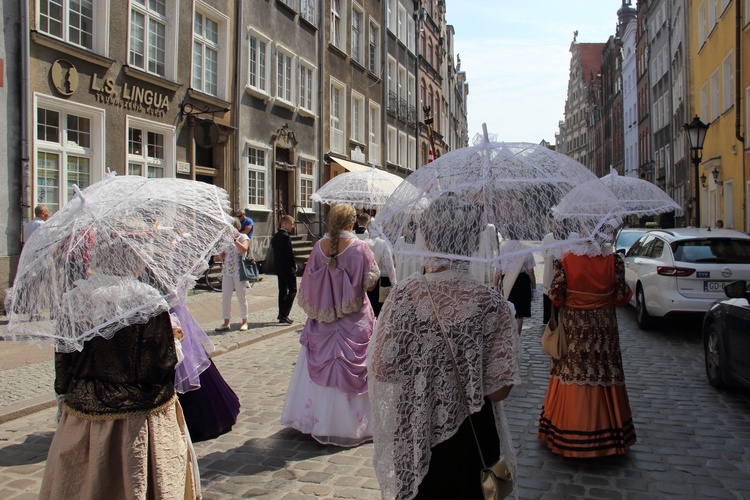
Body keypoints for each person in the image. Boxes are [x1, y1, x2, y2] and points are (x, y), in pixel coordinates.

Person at [368, 194, 520, 499]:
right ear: (473, 243)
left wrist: (425, 371)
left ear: (426, 239)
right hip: (473, 434)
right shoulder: (492, 304)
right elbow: (499, 390)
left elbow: (382, 368)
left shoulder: (403, 296)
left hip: (415, 428)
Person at [40, 274, 200, 498]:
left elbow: (63, 360)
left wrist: (64, 397)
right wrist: (175, 341)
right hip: (139, 421)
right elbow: (158, 366)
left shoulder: (74, 300)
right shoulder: (148, 300)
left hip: (85, 413)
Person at [280, 203, 380, 446]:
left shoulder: (318, 247)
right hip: (354, 320)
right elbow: (370, 283)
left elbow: (309, 284)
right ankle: (353, 423)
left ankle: (316, 420)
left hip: (323, 322)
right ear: (351, 222)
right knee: (359, 368)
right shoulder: (361, 247)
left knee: (318, 370)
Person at [537, 242, 636, 458]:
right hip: (603, 332)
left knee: (572, 372)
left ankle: (570, 427)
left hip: (575, 331)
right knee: (604, 372)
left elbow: (555, 295)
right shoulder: (614, 261)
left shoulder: (565, 259)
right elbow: (622, 297)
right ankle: (608, 431)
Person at [214, 218, 250, 331]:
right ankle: (226, 322)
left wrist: (235, 241)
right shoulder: (226, 239)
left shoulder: (243, 237)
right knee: (225, 297)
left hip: (239, 271)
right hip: (227, 271)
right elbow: (225, 253)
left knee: (241, 297)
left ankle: (245, 321)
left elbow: (244, 249)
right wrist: (219, 257)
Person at [495, 238, 537, 333]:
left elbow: (497, 271)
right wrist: (534, 288)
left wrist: (495, 286)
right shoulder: (525, 248)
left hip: (506, 281)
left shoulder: (501, 248)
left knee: (507, 311)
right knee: (519, 314)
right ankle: (517, 337)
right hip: (522, 282)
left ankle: (509, 336)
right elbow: (531, 271)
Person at [271, 215, 298, 324]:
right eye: (291, 224)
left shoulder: (276, 236)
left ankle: (281, 314)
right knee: (292, 290)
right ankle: (284, 314)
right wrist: (294, 264)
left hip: (279, 267)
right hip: (287, 267)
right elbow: (289, 253)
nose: (293, 226)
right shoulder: (285, 237)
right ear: (284, 224)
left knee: (282, 290)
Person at [365, 229, 397, 318]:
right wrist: (394, 282)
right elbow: (389, 265)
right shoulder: (383, 244)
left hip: (366, 280)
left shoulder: (363, 243)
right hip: (380, 281)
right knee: (379, 311)